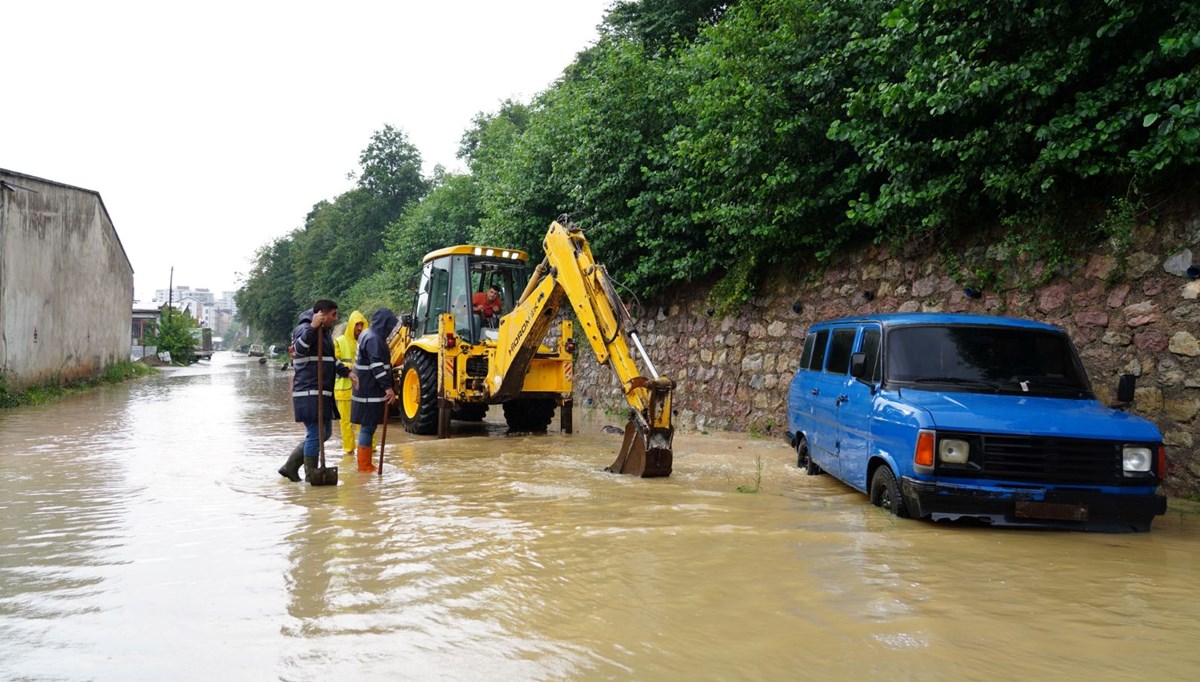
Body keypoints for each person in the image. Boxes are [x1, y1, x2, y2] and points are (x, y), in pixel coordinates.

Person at [277, 300, 357, 482]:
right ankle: (311, 474)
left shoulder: (325, 335)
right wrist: (313, 327)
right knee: (316, 434)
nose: (336, 319)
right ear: (321, 314)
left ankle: (290, 467)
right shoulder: (305, 330)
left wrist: (348, 372)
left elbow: (331, 360)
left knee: (324, 433)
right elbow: (299, 349)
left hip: (321, 394)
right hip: (309, 393)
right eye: (333, 315)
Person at [350, 307, 399, 473]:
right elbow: (377, 366)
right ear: (384, 324)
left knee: (368, 427)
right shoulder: (374, 339)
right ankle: (364, 466)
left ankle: (365, 465)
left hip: (365, 390)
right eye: (389, 326)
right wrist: (388, 387)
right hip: (369, 391)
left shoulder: (367, 334)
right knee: (368, 427)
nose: (390, 330)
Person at [334, 310, 369, 460]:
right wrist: (352, 366)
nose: (359, 328)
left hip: (363, 389)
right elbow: (333, 362)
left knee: (365, 421)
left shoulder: (367, 341)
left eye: (362, 325)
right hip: (344, 389)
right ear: (351, 326)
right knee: (346, 423)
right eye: (357, 325)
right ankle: (349, 451)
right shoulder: (340, 341)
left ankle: (368, 449)